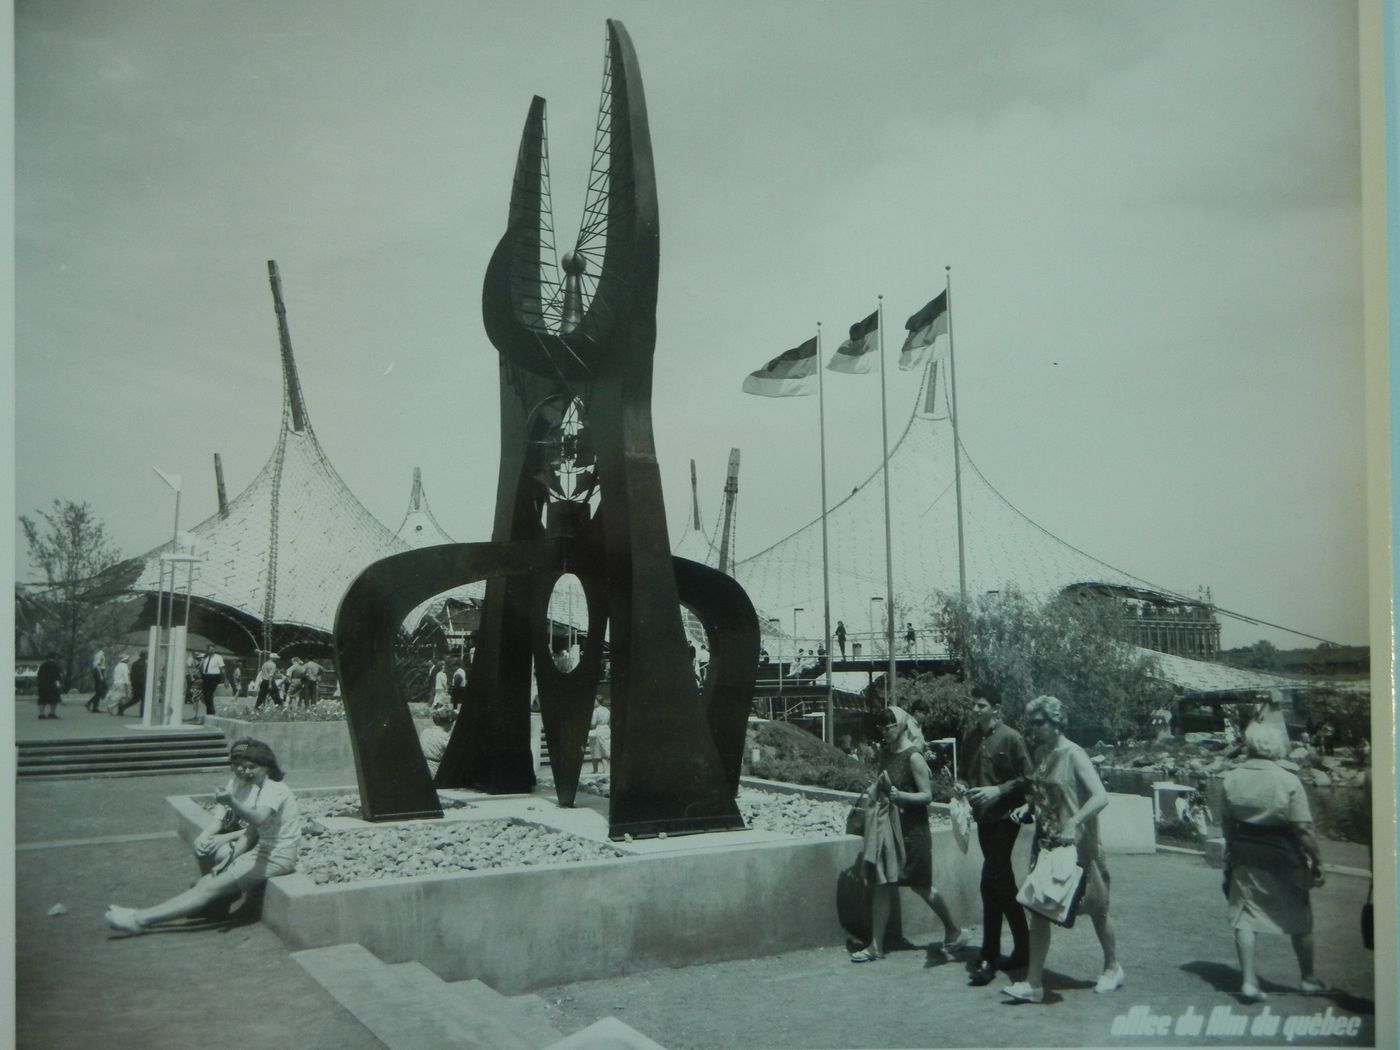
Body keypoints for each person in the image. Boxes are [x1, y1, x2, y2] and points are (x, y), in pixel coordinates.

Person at [105, 738, 302, 934]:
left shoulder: (273, 789)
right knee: (205, 883)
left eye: (252, 767)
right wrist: (228, 861)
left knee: (208, 888)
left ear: (266, 767)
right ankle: (141, 915)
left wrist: (231, 801)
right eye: (241, 766)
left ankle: (138, 920)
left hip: (278, 857)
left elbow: (258, 819)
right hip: (263, 852)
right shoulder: (262, 788)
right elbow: (251, 832)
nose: (246, 771)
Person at [1003, 695, 1122, 1003]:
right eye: (1032, 724)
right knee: (1039, 910)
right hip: (1047, 844)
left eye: (1039, 723)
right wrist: (1028, 808)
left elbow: (1100, 796)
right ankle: (1034, 983)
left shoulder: (1074, 754)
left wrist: (1076, 822)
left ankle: (1112, 966)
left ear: (1057, 723)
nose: (1034, 730)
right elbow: (1045, 792)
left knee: (1097, 909)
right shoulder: (1042, 752)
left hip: (1078, 848)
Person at [1220, 722, 1326, 1002]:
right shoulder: (1287, 780)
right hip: (1283, 854)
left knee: (1245, 916)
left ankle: (1249, 981)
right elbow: (1304, 829)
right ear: (1277, 747)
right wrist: (1318, 861)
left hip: (1245, 852)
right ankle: (1308, 979)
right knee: (1301, 917)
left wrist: (1231, 850)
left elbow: (1227, 823)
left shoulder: (1231, 777)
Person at [849, 706, 964, 962]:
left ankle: (953, 929)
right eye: (882, 727)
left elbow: (928, 796)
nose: (885, 731)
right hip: (890, 832)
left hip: (913, 832)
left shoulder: (914, 757)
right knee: (883, 884)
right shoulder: (886, 754)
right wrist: (871, 791)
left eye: (889, 726)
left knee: (922, 886)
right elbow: (882, 781)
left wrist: (901, 796)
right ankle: (875, 946)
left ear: (900, 726)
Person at [955, 693, 1032, 986]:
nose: (975, 709)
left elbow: (1029, 778)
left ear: (996, 709)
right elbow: (965, 775)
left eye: (981, 705)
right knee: (1002, 883)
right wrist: (960, 787)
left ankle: (988, 957)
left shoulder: (1012, 738)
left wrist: (997, 790)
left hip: (1007, 818)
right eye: (973, 704)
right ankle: (1024, 947)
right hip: (983, 819)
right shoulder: (970, 738)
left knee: (990, 882)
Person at [419, 705, 455, 777]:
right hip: (434, 771)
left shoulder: (425, 731)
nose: (452, 726)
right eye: (452, 723)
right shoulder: (445, 737)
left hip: (420, 767)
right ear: (448, 722)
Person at [198, 646, 225, 719]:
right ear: (207, 650)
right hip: (205, 676)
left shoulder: (218, 657)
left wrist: (225, 679)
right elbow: (200, 668)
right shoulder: (205, 658)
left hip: (214, 677)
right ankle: (209, 712)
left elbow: (222, 668)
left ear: (214, 650)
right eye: (209, 649)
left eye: (212, 649)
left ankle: (211, 712)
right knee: (206, 695)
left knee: (209, 693)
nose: (211, 651)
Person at [118, 650, 148, 716]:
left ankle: (122, 707)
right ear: (145, 656)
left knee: (135, 699)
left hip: (135, 684)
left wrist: (132, 683)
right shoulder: (144, 664)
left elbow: (132, 674)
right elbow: (143, 675)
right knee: (143, 699)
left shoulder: (135, 663)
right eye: (146, 655)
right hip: (141, 684)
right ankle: (142, 714)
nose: (147, 656)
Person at [587, 696, 612, 772]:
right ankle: (605, 770)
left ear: (598, 701)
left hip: (598, 730)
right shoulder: (607, 710)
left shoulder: (596, 711)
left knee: (595, 751)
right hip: (606, 730)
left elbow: (593, 723)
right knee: (605, 750)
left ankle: (595, 770)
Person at [37, 652, 63, 719]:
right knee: (54, 700)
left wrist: (39, 683)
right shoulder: (55, 665)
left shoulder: (43, 665)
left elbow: (39, 674)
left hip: (42, 685)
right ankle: (52, 713)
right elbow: (57, 677)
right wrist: (58, 685)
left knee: (42, 700)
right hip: (52, 685)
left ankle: (41, 714)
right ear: (55, 657)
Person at [86, 647, 108, 713]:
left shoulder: (101, 654)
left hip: (100, 672)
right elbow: (97, 665)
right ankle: (90, 704)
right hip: (99, 672)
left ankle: (93, 706)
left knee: (101, 690)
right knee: (101, 690)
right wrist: (101, 675)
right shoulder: (99, 654)